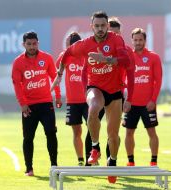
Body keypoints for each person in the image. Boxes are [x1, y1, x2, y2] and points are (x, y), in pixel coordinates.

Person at [51, 11, 133, 183]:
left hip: (115, 91)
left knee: (113, 135)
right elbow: (67, 53)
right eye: (97, 26)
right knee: (93, 109)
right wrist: (60, 72)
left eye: (103, 25)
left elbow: (126, 61)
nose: (100, 29)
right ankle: (95, 147)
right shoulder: (85, 44)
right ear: (92, 27)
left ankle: (112, 162)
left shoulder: (116, 39)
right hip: (95, 87)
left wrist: (106, 59)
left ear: (108, 26)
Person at [11, 31, 62, 176]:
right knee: (28, 137)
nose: (32, 46)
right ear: (23, 45)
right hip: (29, 106)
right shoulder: (18, 62)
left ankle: (54, 165)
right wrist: (23, 103)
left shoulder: (46, 58)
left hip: (46, 103)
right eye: (29, 44)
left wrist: (57, 96)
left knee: (51, 133)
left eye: (34, 43)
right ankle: (29, 168)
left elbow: (55, 78)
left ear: (38, 43)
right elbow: (17, 84)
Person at [56, 32, 104, 166]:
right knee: (76, 131)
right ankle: (80, 160)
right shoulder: (63, 57)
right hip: (72, 102)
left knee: (92, 128)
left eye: (68, 45)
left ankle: (92, 158)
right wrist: (58, 95)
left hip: (87, 100)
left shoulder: (86, 56)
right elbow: (57, 75)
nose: (67, 48)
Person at [122, 28, 162, 167]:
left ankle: (154, 161)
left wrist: (153, 100)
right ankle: (131, 161)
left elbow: (158, 81)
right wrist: (125, 100)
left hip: (147, 104)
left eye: (140, 40)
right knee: (129, 132)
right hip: (131, 103)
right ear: (132, 41)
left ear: (145, 40)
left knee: (151, 132)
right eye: (135, 40)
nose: (138, 42)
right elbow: (122, 79)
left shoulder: (154, 57)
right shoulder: (127, 57)